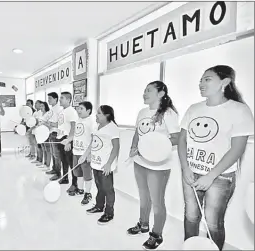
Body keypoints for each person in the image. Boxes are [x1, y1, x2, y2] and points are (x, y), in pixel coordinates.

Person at [178, 65, 254, 251]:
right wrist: (185, 168)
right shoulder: (193, 108)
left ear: (225, 82)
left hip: (220, 178)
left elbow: (237, 149)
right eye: (201, 80)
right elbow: (182, 141)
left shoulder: (239, 110)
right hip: (191, 173)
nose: (201, 83)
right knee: (190, 216)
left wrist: (210, 176)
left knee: (213, 224)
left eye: (207, 79)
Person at [126, 81, 180, 250]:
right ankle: (143, 224)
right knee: (143, 196)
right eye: (144, 90)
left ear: (161, 93)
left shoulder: (168, 113)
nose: (144, 93)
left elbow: (177, 138)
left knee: (157, 201)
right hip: (140, 161)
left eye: (148, 90)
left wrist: (154, 149)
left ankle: (156, 234)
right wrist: (134, 148)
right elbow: (137, 133)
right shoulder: (142, 111)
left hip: (158, 165)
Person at [79, 105, 120, 225]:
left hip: (105, 165)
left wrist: (109, 164)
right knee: (99, 187)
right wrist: (85, 155)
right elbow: (93, 142)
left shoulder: (112, 128)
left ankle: (109, 213)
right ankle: (99, 206)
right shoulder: (98, 126)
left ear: (107, 115)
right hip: (96, 163)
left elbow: (116, 147)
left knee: (108, 189)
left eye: (99, 113)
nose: (96, 115)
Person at [70, 101, 97, 205]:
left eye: (81, 108)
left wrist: (88, 154)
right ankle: (80, 189)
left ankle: (88, 193)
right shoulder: (78, 120)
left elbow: (93, 139)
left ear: (88, 110)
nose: (78, 110)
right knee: (77, 172)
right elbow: (76, 134)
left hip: (85, 153)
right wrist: (68, 140)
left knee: (87, 174)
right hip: (76, 151)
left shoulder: (91, 122)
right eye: (78, 108)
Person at [56, 92, 78, 191]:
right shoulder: (62, 111)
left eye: (62, 98)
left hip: (67, 139)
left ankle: (74, 184)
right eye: (60, 98)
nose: (60, 100)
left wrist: (69, 141)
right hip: (60, 138)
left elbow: (73, 127)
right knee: (63, 160)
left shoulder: (71, 111)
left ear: (69, 100)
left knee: (71, 162)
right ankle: (65, 178)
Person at [42, 92, 64, 179]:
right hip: (50, 132)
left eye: (50, 98)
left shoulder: (59, 109)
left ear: (56, 99)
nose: (48, 100)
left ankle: (58, 173)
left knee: (56, 154)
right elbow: (46, 119)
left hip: (56, 133)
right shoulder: (52, 109)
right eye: (48, 98)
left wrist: (49, 123)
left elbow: (58, 123)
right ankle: (54, 169)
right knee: (52, 152)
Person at [35, 101, 51, 170]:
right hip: (41, 133)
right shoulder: (41, 114)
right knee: (43, 149)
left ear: (45, 106)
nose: (41, 107)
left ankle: (47, 165)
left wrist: (43, 123)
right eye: (40, 106)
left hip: (46, 133)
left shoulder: (48, 114)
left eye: (42, 106)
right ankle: (44, 163)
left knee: (47, 150)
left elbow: (49, 124)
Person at [31, 100, 43, 164]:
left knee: (39, 147)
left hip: (38, 131)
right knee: (36, 146)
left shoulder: (41, 112)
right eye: (35, 103)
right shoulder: (35, 112)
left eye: (36, 103)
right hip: (34, 131)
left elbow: (38, 122)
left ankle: (40, 160)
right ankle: (37, 158)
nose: (35, 105)